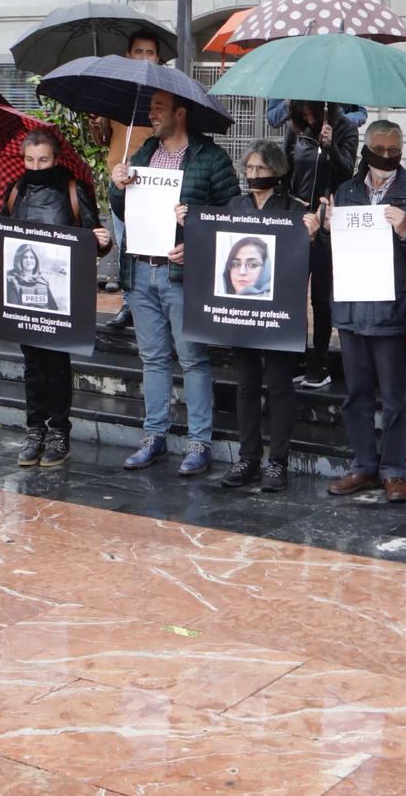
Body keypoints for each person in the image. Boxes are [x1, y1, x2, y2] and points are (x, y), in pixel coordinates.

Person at [110, 88, 239, 476]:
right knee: (152, 358)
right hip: (141, 269)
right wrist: (117, 187)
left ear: (180, 113)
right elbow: (123, 210)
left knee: (193, 359)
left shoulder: (211, 158)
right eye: (150, 109)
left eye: (159, 109)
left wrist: (195, 228)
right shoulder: (144, 153)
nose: (152, 115)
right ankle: (154, 435)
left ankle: (200, 442)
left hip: (182, 273)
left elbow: (233, 214)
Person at [0, 129, 109, 467]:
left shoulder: (72, 189)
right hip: (22, 297)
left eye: (43, 160)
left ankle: (59, 432)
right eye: (30, 160)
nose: (36, 166)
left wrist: (103, 239)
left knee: (56, 364)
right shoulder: (16, 190)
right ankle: (35, 430)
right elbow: (2, 235)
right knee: (33, 365)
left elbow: (95, 239)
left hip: (60, 296)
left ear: (56, 158)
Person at [323, 119, 406, 504]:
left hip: (393, 309)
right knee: (356, 393)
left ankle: (394, 470)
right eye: (378, 147)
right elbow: (334, 250)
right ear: (365, 147)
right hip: (352, 308)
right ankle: (363, 464)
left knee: (395, 396)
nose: (385, 154)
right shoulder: (345, 191)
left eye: (392, 148)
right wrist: (329, 227)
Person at [220, 141, 320, 492]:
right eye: (249, 168)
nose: (254, 175)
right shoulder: (234, 205)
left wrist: (311, 236)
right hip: (241, 312)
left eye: (261, 169)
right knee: (246, 386)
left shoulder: (295, 209)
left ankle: (277, 462)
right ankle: (248, 458)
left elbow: (311, 264)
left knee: (279, 387)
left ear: (278, 171)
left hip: (279, 312)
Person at [90, 31, 161, 326]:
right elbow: (104, 138)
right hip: (120, 180)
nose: (144, 57)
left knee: (152, 248)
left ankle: (153, 306)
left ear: (157, 58)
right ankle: (130, 305)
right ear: (128, 54)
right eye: (138, 51)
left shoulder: (163, 93)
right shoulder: (116, 90)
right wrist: (96, 121)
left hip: (153, 184)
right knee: (126, 246)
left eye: (150, 52)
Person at [287, 100, 360, 388]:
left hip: (328, 216)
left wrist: (330, 148)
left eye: (310, 111)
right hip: (298, 213)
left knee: (320, 294)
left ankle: (320, 361)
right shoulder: (296, 129)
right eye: (301, 112)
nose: (306, 117)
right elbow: (286, 167)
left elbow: (347, 172)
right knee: (292, 291)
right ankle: (294, 358)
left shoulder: (345, 128)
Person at [6, 242, 58, 311]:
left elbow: (54, 309)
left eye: (32, 257)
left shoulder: (44, 284)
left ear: (36, 260)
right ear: (19, 259)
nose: (29, 260)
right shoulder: (11, 281)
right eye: (25, 257)